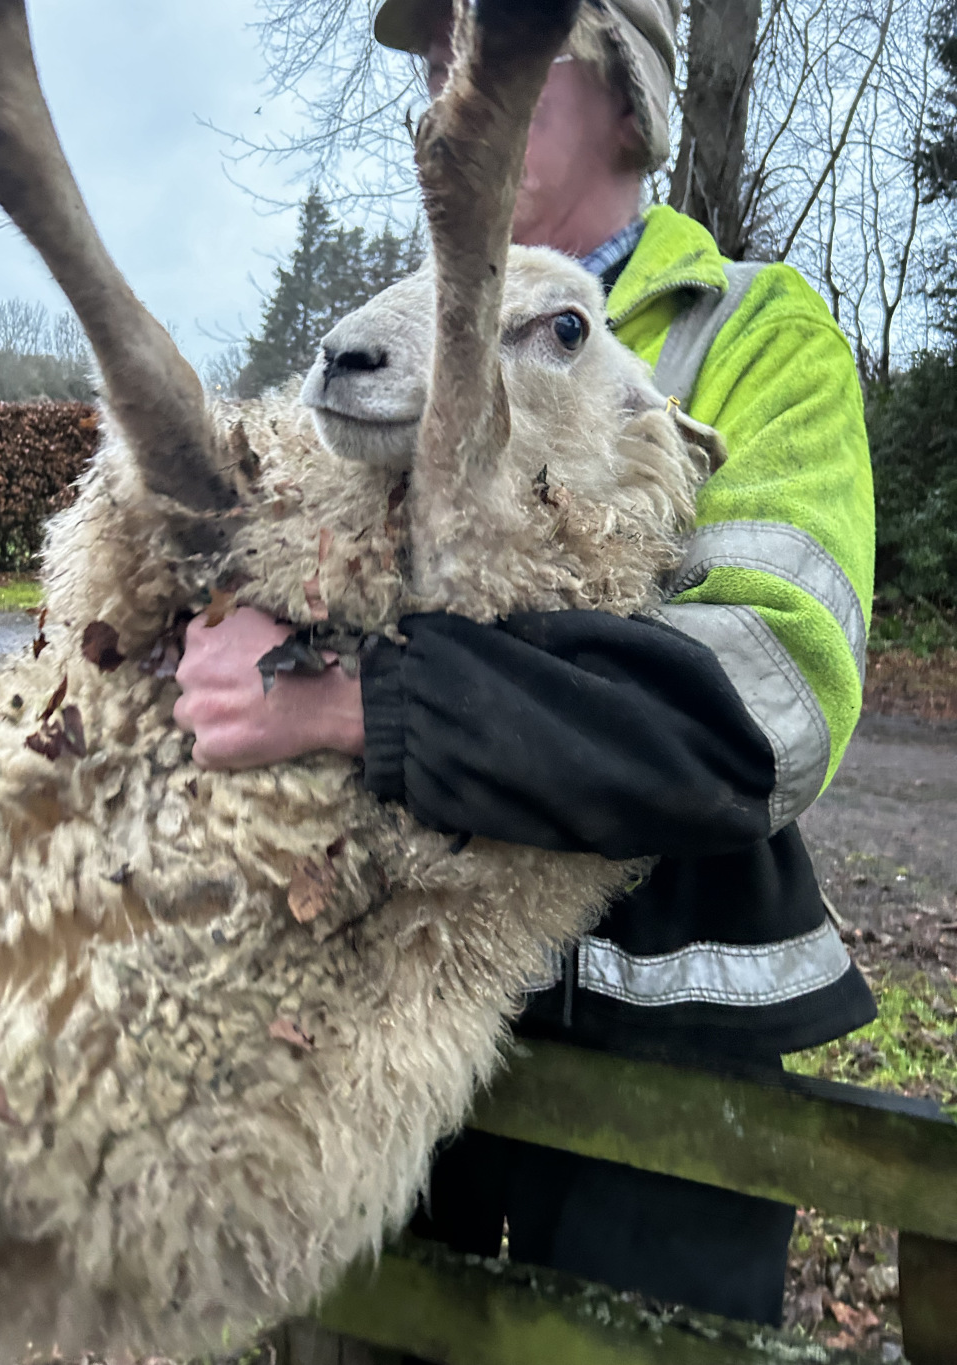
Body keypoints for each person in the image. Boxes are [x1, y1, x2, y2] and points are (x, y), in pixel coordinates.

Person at [173, 0, 876, 1329]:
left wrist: (362, 699)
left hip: (661, 1071)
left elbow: (757, 713)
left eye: (495, 43)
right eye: (435, 57)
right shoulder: (393, 333)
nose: (450, 80)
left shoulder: (757, 331)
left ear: (628, 95)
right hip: (375, 1020)